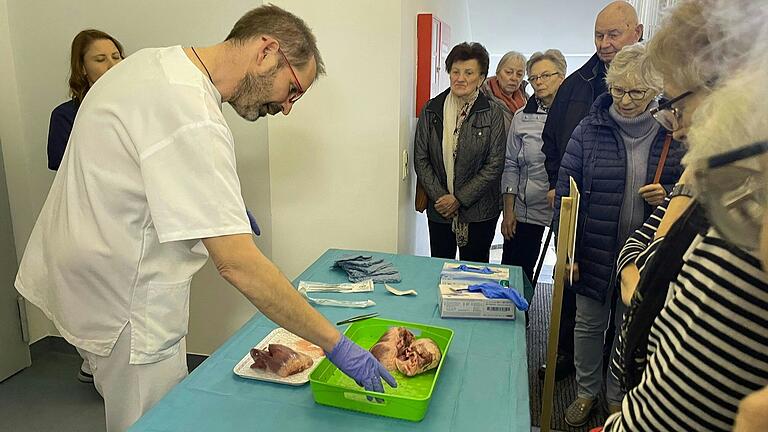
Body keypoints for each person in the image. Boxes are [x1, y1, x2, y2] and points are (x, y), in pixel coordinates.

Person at [15, 6, 395, 431]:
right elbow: (237, 264)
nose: (286, 107)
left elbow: (141, 171)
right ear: (267, 51)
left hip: (86, 271)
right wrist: (336, 344)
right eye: (292, 89)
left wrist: (215, 205)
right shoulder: (191, 112)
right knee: (151, 421)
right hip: (126, 302)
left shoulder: (151, 63)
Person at [603, 1, 768, 430]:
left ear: (729, 89)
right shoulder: (723, 189)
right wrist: (687, 187)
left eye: (677, 103)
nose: (675, 126)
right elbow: (639, 248)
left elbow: (661, 421)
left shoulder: (742, 225)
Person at [553, 43, 684, 426]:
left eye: (637, 92)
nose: (625, 100)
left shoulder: (672, 133)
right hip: (594, 247)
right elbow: (566, 191)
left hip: (645, 257)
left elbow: (691, 193)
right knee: (589, 325)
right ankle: (585, 392)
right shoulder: (588, 129)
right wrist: (568, 252)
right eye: (618, 90)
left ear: (654, 91)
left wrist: (668, 194)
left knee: (630, 328)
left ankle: (616, 396)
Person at [538, 0, 643, 382]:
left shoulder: (659, 91)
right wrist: (556, 182)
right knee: (577, 301)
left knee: (628, 309)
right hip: (583, 216)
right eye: (598, 35)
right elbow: (552, 141)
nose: (604, 43)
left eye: (613, 34)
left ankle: (620, 381)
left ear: (637, 33)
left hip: (636, 225)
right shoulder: (575, 85)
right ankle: (571, 362)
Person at [413, 42, 506, 263]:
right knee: (440, 268)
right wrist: (441, 198)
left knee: (474, 274)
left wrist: (459, 199)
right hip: (439, 210)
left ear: (481, 78)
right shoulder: (431, 109)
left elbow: (495, 164)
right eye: (455, 71)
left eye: (468, 73)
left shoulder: (492, 112)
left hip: (480, 212)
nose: (460, 78)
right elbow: (421, 158)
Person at [500, 49, 566, 284]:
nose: (539, 82)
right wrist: (509, 211)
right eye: (534, 78)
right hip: (526, 210)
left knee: (566, 279)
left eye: (546, 76)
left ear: (562, 76)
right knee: (515, 278)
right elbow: (510, 165)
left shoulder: (578, 114)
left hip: (564, 209)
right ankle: (518, 320)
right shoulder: (521, 117)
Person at [48, 29, 125, 171]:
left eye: (116, 57)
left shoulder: (136, 108)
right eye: (100, 60)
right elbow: (66, 171)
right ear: (82, 67)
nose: (112, 66)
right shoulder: (65, 116)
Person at [480, 51, 528, 134]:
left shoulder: (527, 100)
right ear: (498, 73)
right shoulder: (482, 97)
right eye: (509, 72)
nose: (514, 78)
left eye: (519, 74)